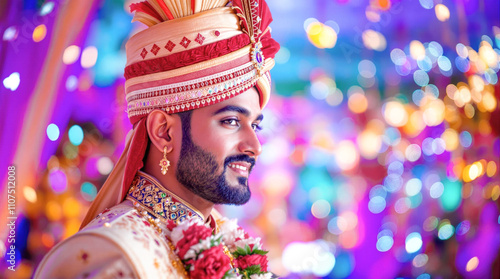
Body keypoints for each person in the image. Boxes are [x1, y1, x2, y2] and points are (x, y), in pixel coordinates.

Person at [34, 0, 279, 278]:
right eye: (231, 121)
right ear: (164, 131)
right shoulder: (114, 257)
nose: (255, 146)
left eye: (255, 126)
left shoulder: (225, 243)